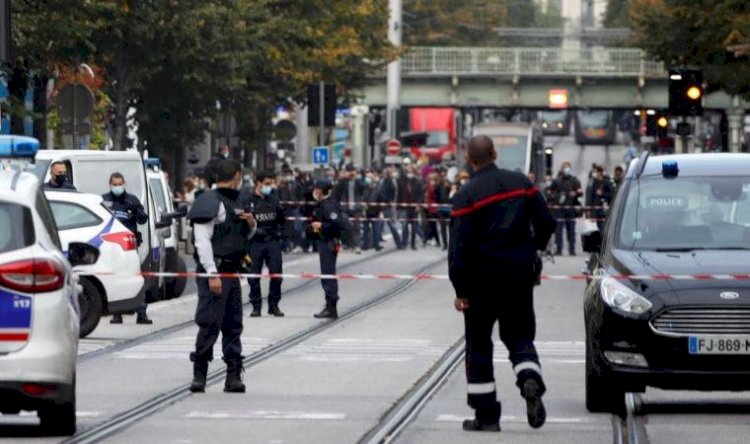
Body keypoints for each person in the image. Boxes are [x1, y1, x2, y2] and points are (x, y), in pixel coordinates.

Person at [449, 135, 556, 432]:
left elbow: (457, 249)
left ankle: (487, 416)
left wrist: (460, 290)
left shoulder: (466, 196)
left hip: (480, 283)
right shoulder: (522, 183)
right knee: (520, 337)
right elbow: (547, 222)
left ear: (469, 160)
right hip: (518, 278)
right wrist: (533, 249)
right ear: (494, 153)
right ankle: (529, 379)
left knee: (479, 345)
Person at [187, 159, 256, 393]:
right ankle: (200, 374)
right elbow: (202, 240)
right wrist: (211, 273)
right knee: (209, 323)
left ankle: (233, 375)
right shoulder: (209, 201)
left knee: (233, 323)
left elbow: (240, 235)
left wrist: (251, 224)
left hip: (232, 271)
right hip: (215, 272)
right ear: (237, 175)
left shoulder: (237, 201)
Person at [102, 173, 151, 325]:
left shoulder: (131, 200)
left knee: (136, 277)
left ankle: (141, 313)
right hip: (112, 246)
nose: (118, 187)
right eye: (115, 184)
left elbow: (143, 219)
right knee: (116, 279)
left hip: (129, 246)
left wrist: (136, 211)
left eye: (120, 184)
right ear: (110, 184)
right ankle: (117, 314)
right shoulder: (104, 200)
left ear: (124, 183)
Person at [240, 171, 286, 317]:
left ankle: (274, 305)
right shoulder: (247, 200)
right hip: (255, 242)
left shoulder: (273, 199)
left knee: (276, 275)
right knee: (253, 276)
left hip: (272, 240)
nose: (269, 187)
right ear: (258, 183)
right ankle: (256, 306)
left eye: (270, 184)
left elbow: (281, 219)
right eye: (266, 184)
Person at [309, 179, 344, 319]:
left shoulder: (328, 205)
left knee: (328, 274)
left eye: (316, 189)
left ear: (321, 191)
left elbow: (336, 225)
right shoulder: (322, 204)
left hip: (328, 243)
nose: (314, 192)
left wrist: (321, 226)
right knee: (326, 273)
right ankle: (330, 305)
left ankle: (331, 306)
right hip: (324, 242)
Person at [547, 162, 583, 256]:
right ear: (562, 169)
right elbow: (549, 192)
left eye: (568, 168)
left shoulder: (574, 180)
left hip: (571, 209)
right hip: (560, 210)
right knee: (558, 231)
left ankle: (572, 250)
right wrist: (555, 199)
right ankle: (559, 250)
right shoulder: (557, 181)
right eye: (565, 168)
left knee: (571, 231)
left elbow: (580, 192)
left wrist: (576, 193)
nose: (567, 170)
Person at [586, 165, 613, 231]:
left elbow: (612, 194)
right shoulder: (593, 183)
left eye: (597, 172)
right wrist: (589, 209)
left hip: (605, 209)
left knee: (604, 226)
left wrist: (602, 194)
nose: (596, 174)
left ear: (600, 173)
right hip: (596, 209)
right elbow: (590, 196)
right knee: (598, 226)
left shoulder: (607, 182)